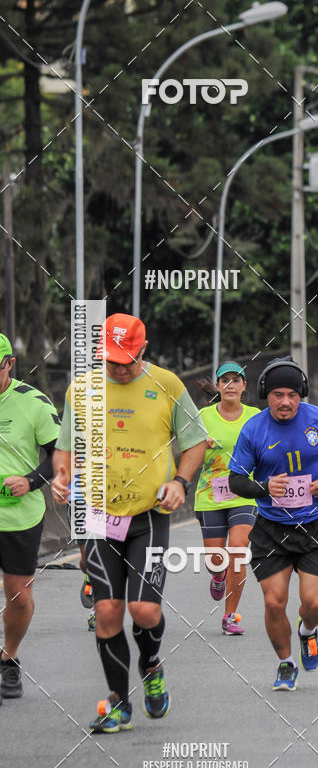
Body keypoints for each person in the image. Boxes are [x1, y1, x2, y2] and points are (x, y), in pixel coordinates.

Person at [52, 313, 207, 733]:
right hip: (100, 516)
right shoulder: (82, 389)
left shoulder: (167, 384)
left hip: (150, 515)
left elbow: (196, 442)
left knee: (143, 609)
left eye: (127, 360)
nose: (119, 368)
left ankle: (152, 665)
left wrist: (180, 481)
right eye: (111, 360)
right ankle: (119, 702)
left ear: (144, 349)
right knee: (106, 611)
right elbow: (65, 446)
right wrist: (62, 477)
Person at [228, 357, 318, 691]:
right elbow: (236, 480)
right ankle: (285, 664)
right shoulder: (253, 429)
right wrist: (263, 488)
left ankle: (307, 631)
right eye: (277, 395)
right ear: (265, 395)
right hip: (271, 529)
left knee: (314, 603)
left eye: (292, 395)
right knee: (274, 602)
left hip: (316, 524)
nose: (285, 402)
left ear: (302, 395)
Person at [0, 333, 60, 702]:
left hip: (19, 516)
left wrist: (31, 480)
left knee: (19, 597)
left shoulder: (33, 403)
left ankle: (9, 657)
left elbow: (59, 456)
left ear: (9, 364)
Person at [194, 362, 260, 635]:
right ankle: (218, 576)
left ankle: (230, 615)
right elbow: (186, 450)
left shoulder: (256, 417)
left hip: (244, 493)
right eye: (225, 380)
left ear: (244, 386)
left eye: (236, 380)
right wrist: (200, 445)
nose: (230, 384)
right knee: (216, 560)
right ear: (218, 387)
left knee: (238, 550)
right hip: (210, 496)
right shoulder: (203, 416)